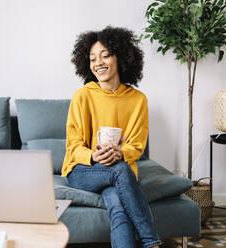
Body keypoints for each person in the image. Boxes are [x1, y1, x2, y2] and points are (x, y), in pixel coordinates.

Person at [62, 26, 161, 248]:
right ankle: (151, 241)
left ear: (122, 57)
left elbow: (136, 146)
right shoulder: (82, 96)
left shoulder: (138, 100)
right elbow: (73, 146)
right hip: (83, 170)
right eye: (92, 58)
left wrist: (120, 152)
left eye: (105, 55)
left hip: (119, 170)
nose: (98, 63)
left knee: (119, 208)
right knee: (120, 169)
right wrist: (94, 155)